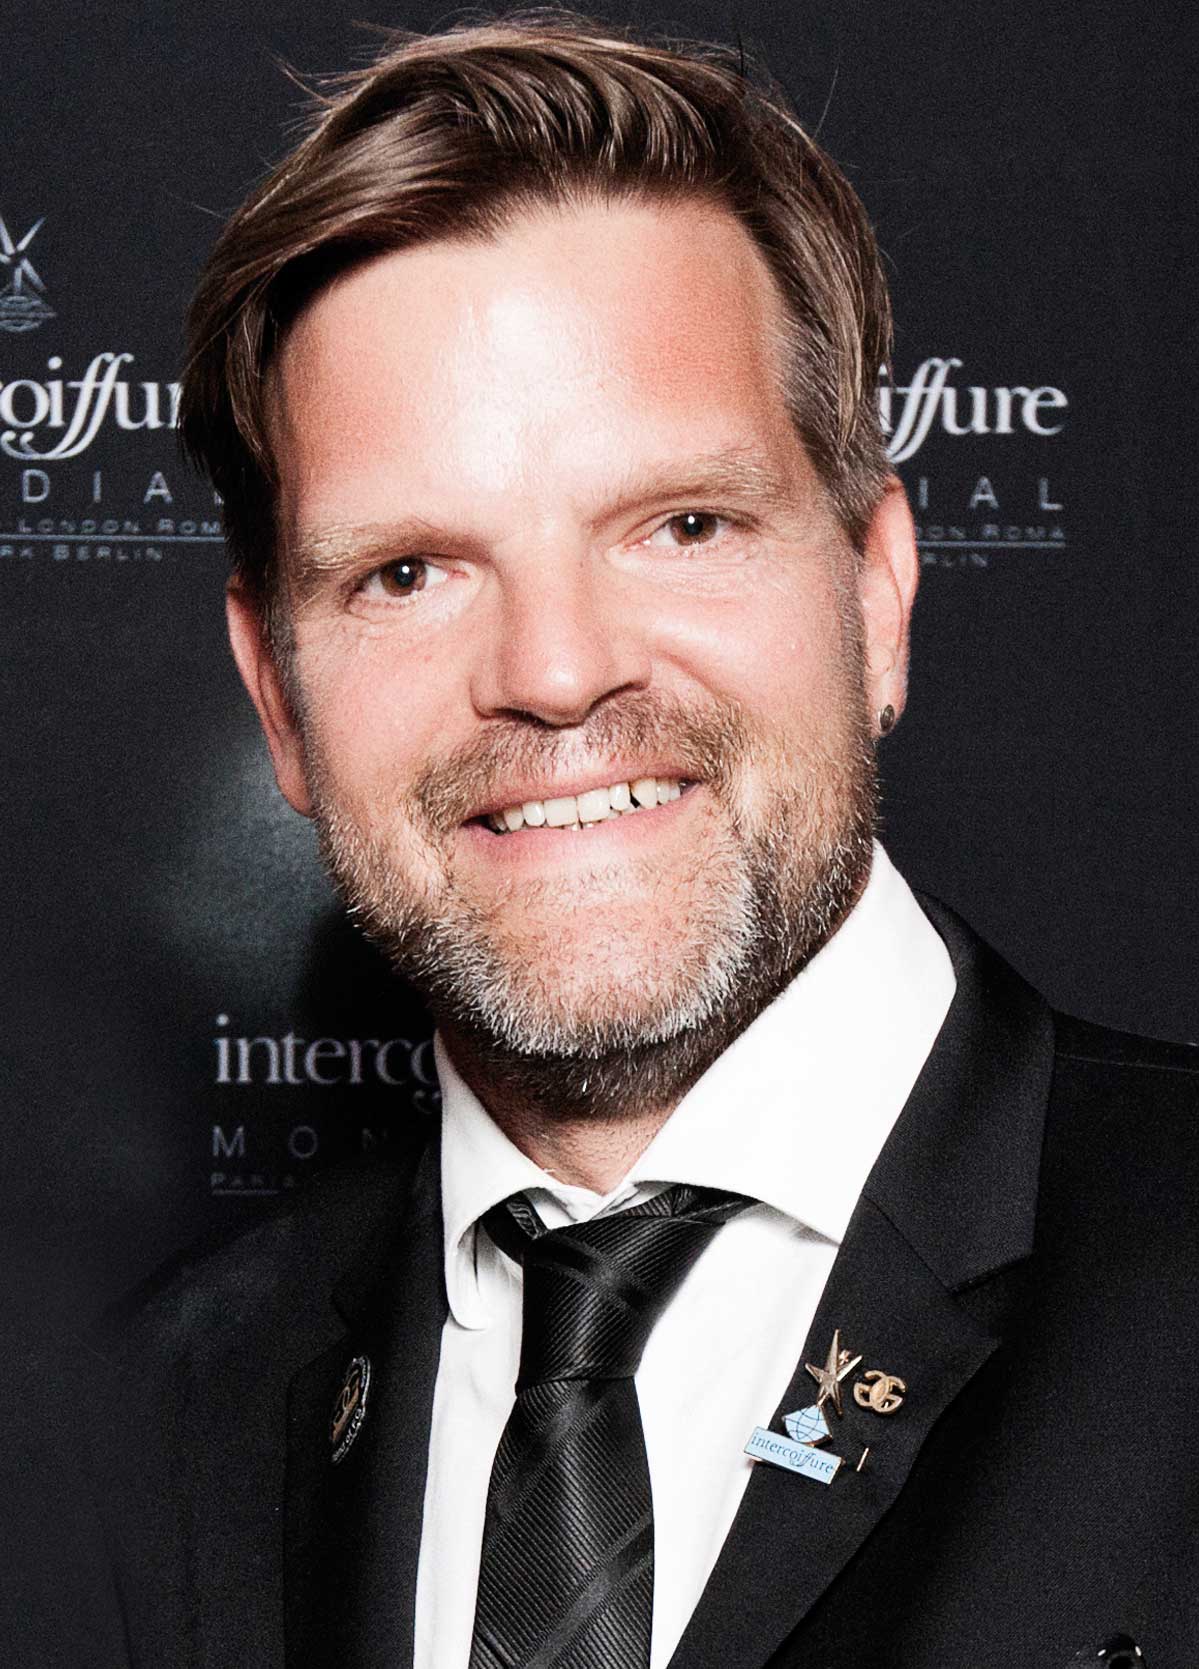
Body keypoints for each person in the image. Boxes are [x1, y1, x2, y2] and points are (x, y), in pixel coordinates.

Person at [107, 11, 1199, 1668]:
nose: (555, 670)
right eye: (409, 572)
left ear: (877, 589)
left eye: (681, 524)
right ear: (280, 695)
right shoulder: (143, 1436)